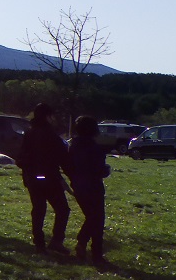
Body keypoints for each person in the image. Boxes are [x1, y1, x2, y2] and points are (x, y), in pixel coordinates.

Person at [16, 102, 70, 253]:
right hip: (50, 178)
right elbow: (63, 158)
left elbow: (21, 156)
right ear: (48, 116)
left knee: (39, 209)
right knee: (62, 209)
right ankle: (56, 241)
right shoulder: (51, 135)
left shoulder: (29, 133)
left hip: (32, 177)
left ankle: (38, 242)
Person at [67, 115, 111, 269]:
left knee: (91, 217)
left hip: (78, 186)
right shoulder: (95, 148)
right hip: (93, 186)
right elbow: (99, 170)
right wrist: (106, 170)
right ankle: (95, 253)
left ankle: (84, 244)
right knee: (97, 219)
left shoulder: (73, 146)